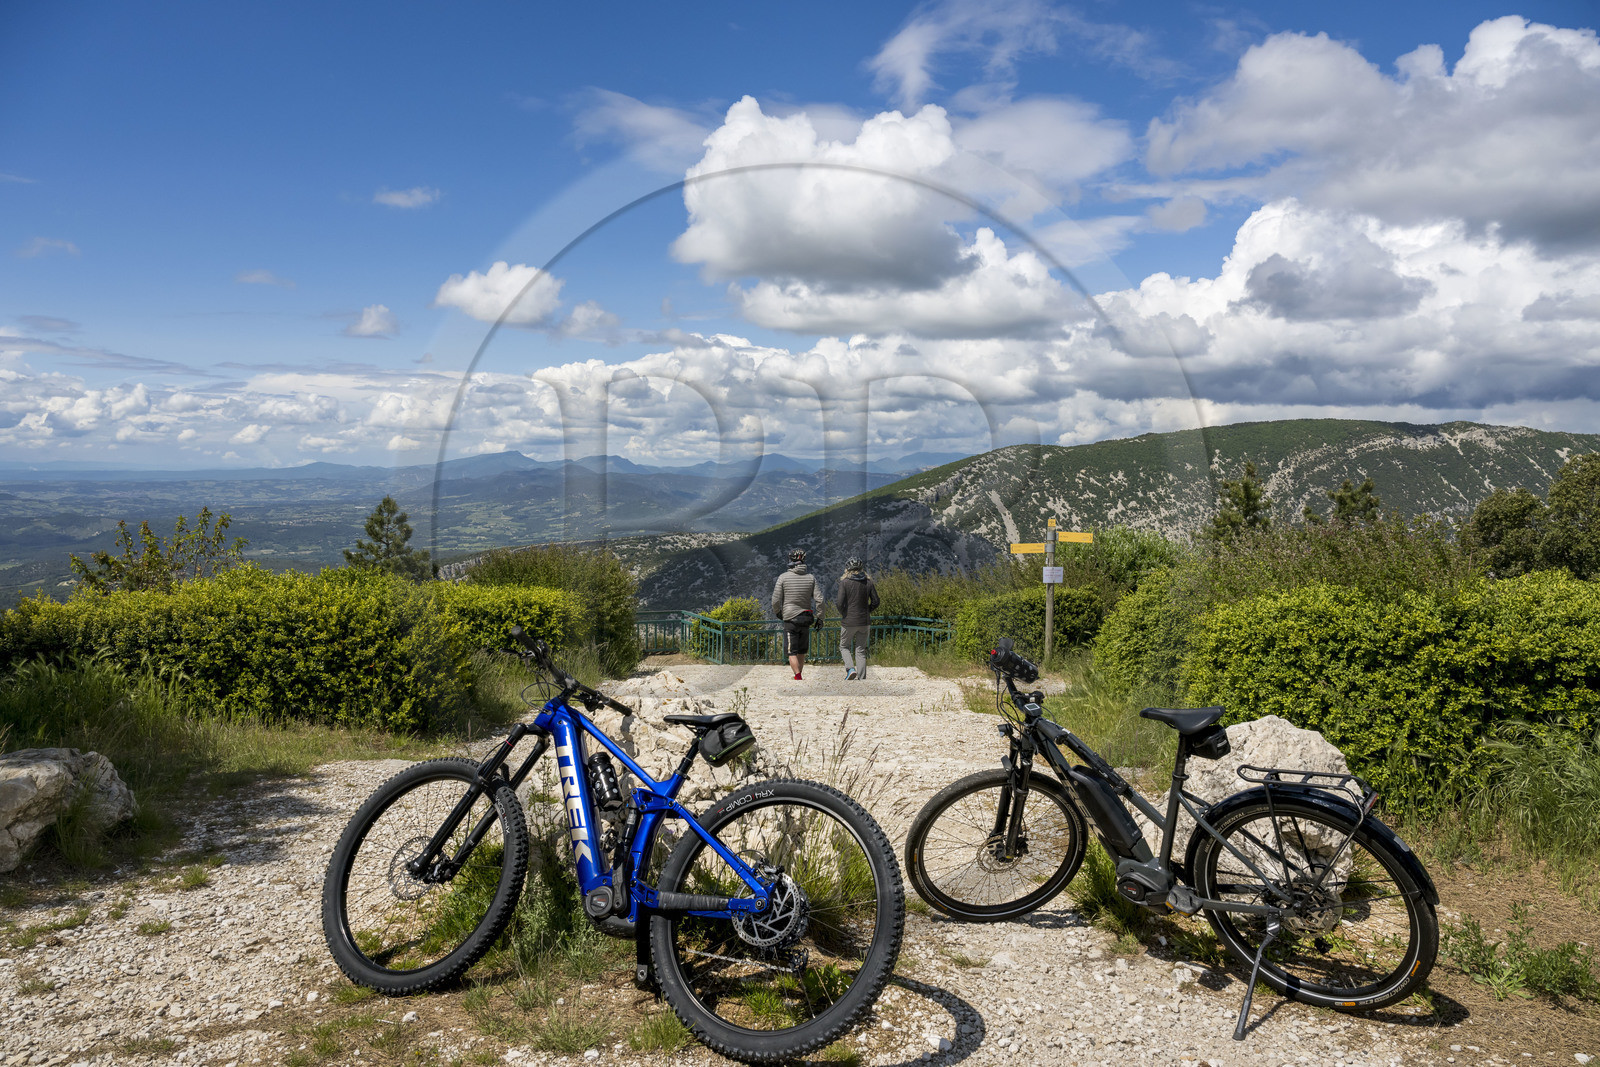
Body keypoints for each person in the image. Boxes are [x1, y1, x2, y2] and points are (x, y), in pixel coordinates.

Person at [771, 548, 823, 680]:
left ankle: (797, 675)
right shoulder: (811, 578)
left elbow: (776, 599)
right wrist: (820, 618)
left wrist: (778, 613)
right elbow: (820, 600)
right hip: (806, 617)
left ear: (790, 561)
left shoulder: (783, 577)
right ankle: (799, 673)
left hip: (790, 618)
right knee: (802, 650)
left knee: (791, 651)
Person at [835, 556, 879, 680]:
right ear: (861, 569)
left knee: (844, 646)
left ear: (847, 569)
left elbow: (839, 603)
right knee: (860, 650)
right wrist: (867, 611)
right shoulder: (868, 582)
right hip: (864, 621)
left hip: (848, 621)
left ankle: (850, 669)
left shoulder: (844, 583)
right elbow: (876, 601)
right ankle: (862, 678)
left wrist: (844, 613)